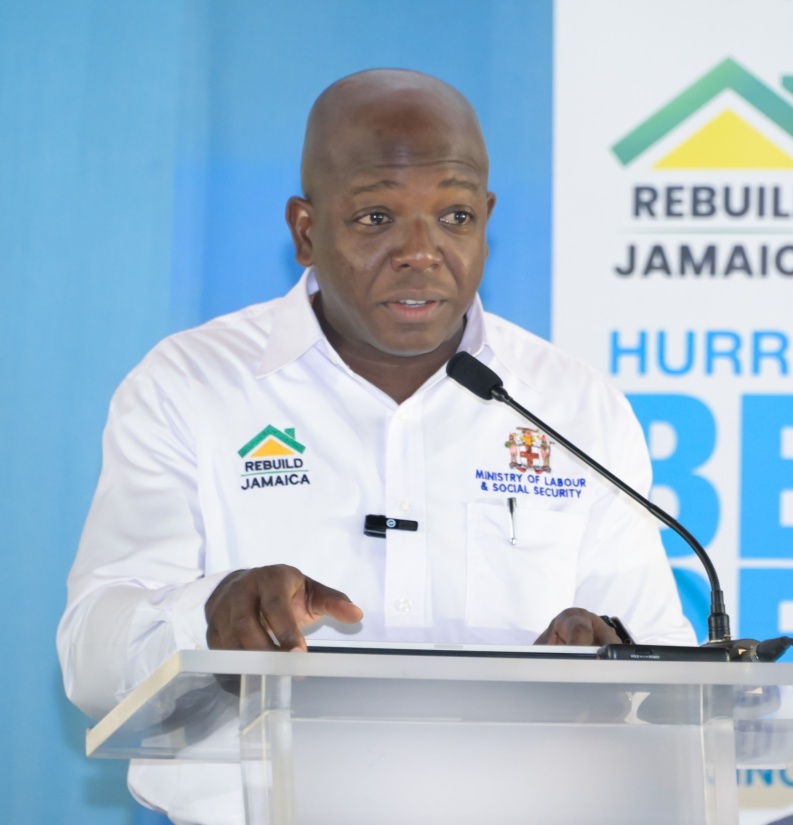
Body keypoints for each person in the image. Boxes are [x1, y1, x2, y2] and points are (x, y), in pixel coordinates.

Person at [57, 69, 693, 824]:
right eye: (375, 217)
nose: (421, 252)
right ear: (304, 230)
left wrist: (610, 663)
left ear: (486, 221)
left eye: (454, 215)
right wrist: (208, 613)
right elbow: (91, 657)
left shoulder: (573, 405)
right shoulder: (191, 386)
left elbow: (674, 689)